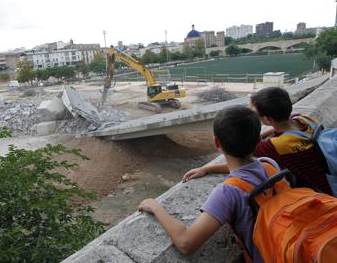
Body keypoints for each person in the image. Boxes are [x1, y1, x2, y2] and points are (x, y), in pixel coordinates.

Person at [138, 106, 271, 262]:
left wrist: (155, 206)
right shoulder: (270, 164)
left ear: (216, 143)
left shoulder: (228, 192)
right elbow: (246, 169)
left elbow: (185, 243)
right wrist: (208, 168)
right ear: (259, 140)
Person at [183, 87, 332, 195]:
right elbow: (284, 131)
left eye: (253, 112)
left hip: (321, 194)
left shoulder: (272, 147)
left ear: (267, 119)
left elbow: (241, 161)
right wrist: (265, 133)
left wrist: (207, 169)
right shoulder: (302, 118)